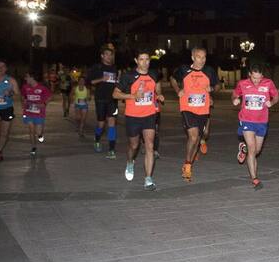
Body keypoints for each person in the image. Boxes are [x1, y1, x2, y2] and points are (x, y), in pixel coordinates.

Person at [113, 50, 163, 191]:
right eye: (141, 59)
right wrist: (133, 96)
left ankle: (148, 179)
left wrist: (159, 95)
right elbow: (115, 94)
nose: (145, 62)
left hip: (149, 115)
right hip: (133, 116)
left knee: (150, 146)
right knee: (134, 146)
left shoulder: (153, 74)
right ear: (136, 61)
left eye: (147, 59)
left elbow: (157, 88)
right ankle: (130, 162)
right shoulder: (128, 76)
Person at [170, 47, 219, 182]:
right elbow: (173, 79)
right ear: (193, 57)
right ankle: (187, 165)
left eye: (204, 57)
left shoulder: (209, 71)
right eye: (198, 57)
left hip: (203, 109)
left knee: (199, 137)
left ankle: (190, 160)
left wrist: (212, 89)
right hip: (187, 108)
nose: (201, 60)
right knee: (193, 136)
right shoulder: (184, 70)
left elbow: (217, 85)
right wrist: (178, 90)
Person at [232, 63, 279, 189]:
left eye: (259, 78)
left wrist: (272, 102)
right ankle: (254, 179)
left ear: (262, 76)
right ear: (249, 75)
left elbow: (276, 96)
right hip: (246, 120)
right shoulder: (242, 83)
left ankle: (244, 149)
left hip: (262, 122)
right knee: (252, 149)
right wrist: (235, 99)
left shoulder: (268, 83)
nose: (257, 81)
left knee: (256, 151)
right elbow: (235, 94)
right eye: (254, 78)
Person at [87, 46, 119, 158]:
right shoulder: (97, 67)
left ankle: (111, 149)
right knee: (101, 123)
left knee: (112, 123)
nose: (109, 57)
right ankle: (97, 139)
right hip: (100, 99)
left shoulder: (114, 68)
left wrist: (118, 81)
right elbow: (90, 81)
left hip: (112, 99)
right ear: (102, 56)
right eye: (107, 54)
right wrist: (102, 79)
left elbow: (115, 82)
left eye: (111, 55)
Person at [21, 72, 52, 157]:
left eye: (27, 77)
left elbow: (50, 96)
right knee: (31, 130)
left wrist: (44, 104)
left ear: (32, 77)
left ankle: (40, 135)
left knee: (38, 132)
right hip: (28, 112)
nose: (25, 78)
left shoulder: (42, 87)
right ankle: (33, 147)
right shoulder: (25, 87)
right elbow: (23, 95)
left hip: (39, 113)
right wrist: (23, 101)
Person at [0, 59, 21, 161]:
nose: (0, 68)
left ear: (6, 68)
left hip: (6, 109)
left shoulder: (11, 80)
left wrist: (10, 93)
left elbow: (18, 96)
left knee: (4, 132)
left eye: (2, 66)